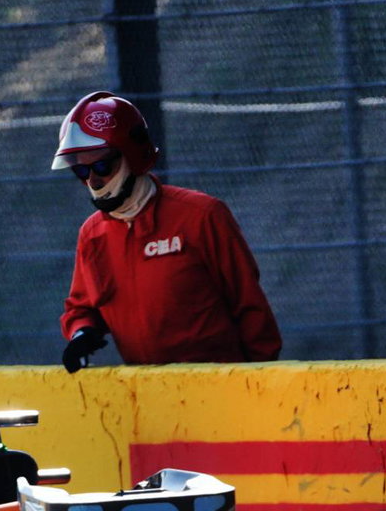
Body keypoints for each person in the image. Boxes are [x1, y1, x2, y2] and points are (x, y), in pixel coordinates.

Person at [53, 91, 282, 369]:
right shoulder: (93, 236)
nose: (94, 179)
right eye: (81, 170)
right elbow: (81, 306)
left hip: (221, 390)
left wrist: (259, 383)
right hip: (149, 396)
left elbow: (250, 306)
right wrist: (82, 332)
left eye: (102, 164)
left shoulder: (201, 216)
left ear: (132, 154)